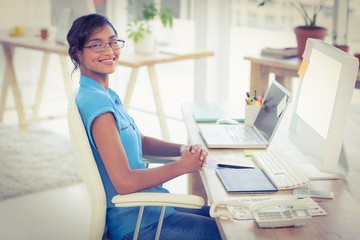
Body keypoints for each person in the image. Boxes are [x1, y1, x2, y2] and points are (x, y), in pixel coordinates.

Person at [67, 13, 221, 240]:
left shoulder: (102, 93)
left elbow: (140, 141)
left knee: (228, 217)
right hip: (138, 224)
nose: (109, 51)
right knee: (233, 231)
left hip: (151, 209)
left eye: (112, 42)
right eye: (96, 45)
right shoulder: (97, 104)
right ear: (77, 53)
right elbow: (125, 182)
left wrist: (182, 149)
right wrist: (182, 167)